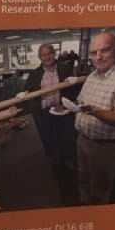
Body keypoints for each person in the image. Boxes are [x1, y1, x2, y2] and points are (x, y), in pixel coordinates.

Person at [75, 31, 115, 205]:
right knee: (84, 182)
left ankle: (98, 226)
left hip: (106, 147)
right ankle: (87, 219)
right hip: (84, 140)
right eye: (93, 53)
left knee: (101, 191)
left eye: (105, 50)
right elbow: (82, 102)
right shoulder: (93, 75)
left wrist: (92, 110)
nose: (98, 57)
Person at [24, 42, 81, 203]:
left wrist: (66, 102)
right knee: (53, 147)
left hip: (64, 113)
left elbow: (74, 90)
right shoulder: (34, 74)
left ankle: (75, 182)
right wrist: (40, 105)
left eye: (49, 53)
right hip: (46, 116)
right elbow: (29, 97)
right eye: (43, 55)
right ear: (39, 57)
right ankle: (59, 181)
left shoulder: (65, 68)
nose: (47, 57)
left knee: (69, 143)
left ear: (54, 53)